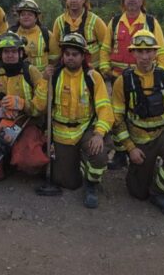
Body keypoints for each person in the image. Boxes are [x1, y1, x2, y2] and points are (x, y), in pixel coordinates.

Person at [111, 30, 164, 217]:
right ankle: (145, 173)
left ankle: (159, 195)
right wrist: (130, 148)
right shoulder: (122, 82)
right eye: (140, 51)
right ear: (133, 53)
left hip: (162, 134)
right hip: (138, 139)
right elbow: (117, 121)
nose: (144, 56)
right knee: (137, 193)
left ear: (155, 53)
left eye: (149, 51)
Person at [34, 33, 113, 208]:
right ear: (63, 55)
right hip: (61, 135)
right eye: (67, 54)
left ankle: (91, 185)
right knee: (68, 183)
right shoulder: (53, 76)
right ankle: (77, 165)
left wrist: (99, 134)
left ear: (83, 56)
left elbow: (105, 109)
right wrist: (44, 81)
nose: (70, 57)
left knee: (98, 155)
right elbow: (39, 106)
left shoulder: (92, 77)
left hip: (85, 130)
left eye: (75, 54)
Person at [101, 0, 164, 169]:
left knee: (141, 114)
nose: (132, 0)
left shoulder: (151, 22)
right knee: (118, 116)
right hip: (118, 79)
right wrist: (106, 69)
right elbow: (105, 49)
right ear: (123, 0)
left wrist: (161, 76)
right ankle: (121, 153)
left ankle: (144, 150)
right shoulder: (114, 22)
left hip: (144, 77)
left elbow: (161, 52)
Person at [0, 32, 48, 182]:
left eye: (14, 51)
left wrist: (22, 104)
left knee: (30, 163)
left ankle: (38, 148)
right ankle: (7, 159)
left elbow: (42, 107)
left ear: (21, 53)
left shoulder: (31, 72)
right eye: (6, 52)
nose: (10, 55)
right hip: (1, 128)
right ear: (0, 55)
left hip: (28, 125)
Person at [50, 0, 107, 71]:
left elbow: (106, 46)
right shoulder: (59, 21)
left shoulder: (95, 21)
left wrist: (104, 68)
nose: (74, 0)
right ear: (66, 0)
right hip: (66, 71)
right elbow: (56, 49)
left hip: (92, 71)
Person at [9, 0, 54, 73]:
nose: (26, 17)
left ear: (36, 18)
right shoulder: (12, 34)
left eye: (30, 14)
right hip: (19, 79)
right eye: (23, 14)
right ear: (19, 17)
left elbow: (54, 58)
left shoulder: (46, 34)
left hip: (41, 80)